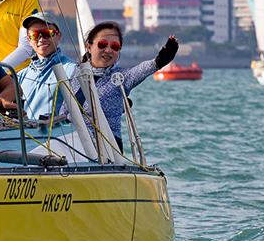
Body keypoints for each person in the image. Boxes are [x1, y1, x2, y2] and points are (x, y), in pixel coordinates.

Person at [61, 21, 178, 152]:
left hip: (107, 150)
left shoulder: (121, 77)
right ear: (89, 46)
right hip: (71, 145)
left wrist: (160, 60)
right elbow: (63, 112)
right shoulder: (76, 73)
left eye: (115, 46)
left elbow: (142, 69)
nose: (108, 50)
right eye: (102, 44)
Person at [16, 11, 78, 120]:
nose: (41, 39)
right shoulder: (20, 76)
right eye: (35, 35)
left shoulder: (73, 69)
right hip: (25, 136)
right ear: (29, 40)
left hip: (57, 136)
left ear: (58, 36)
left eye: (47, 33)